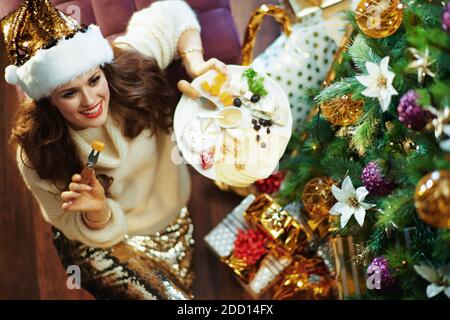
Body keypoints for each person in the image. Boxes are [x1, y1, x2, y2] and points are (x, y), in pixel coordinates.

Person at [2, 0, 227, 299]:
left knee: (184, 279)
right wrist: (98, 210)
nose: (90, 100)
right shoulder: (34, 153)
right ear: (48, 100)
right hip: (103, 242)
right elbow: (69, 222)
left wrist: (194, 63)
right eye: (69, 93)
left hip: (168, 208)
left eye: (94, 80)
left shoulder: (130, 67)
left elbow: (175, 12)